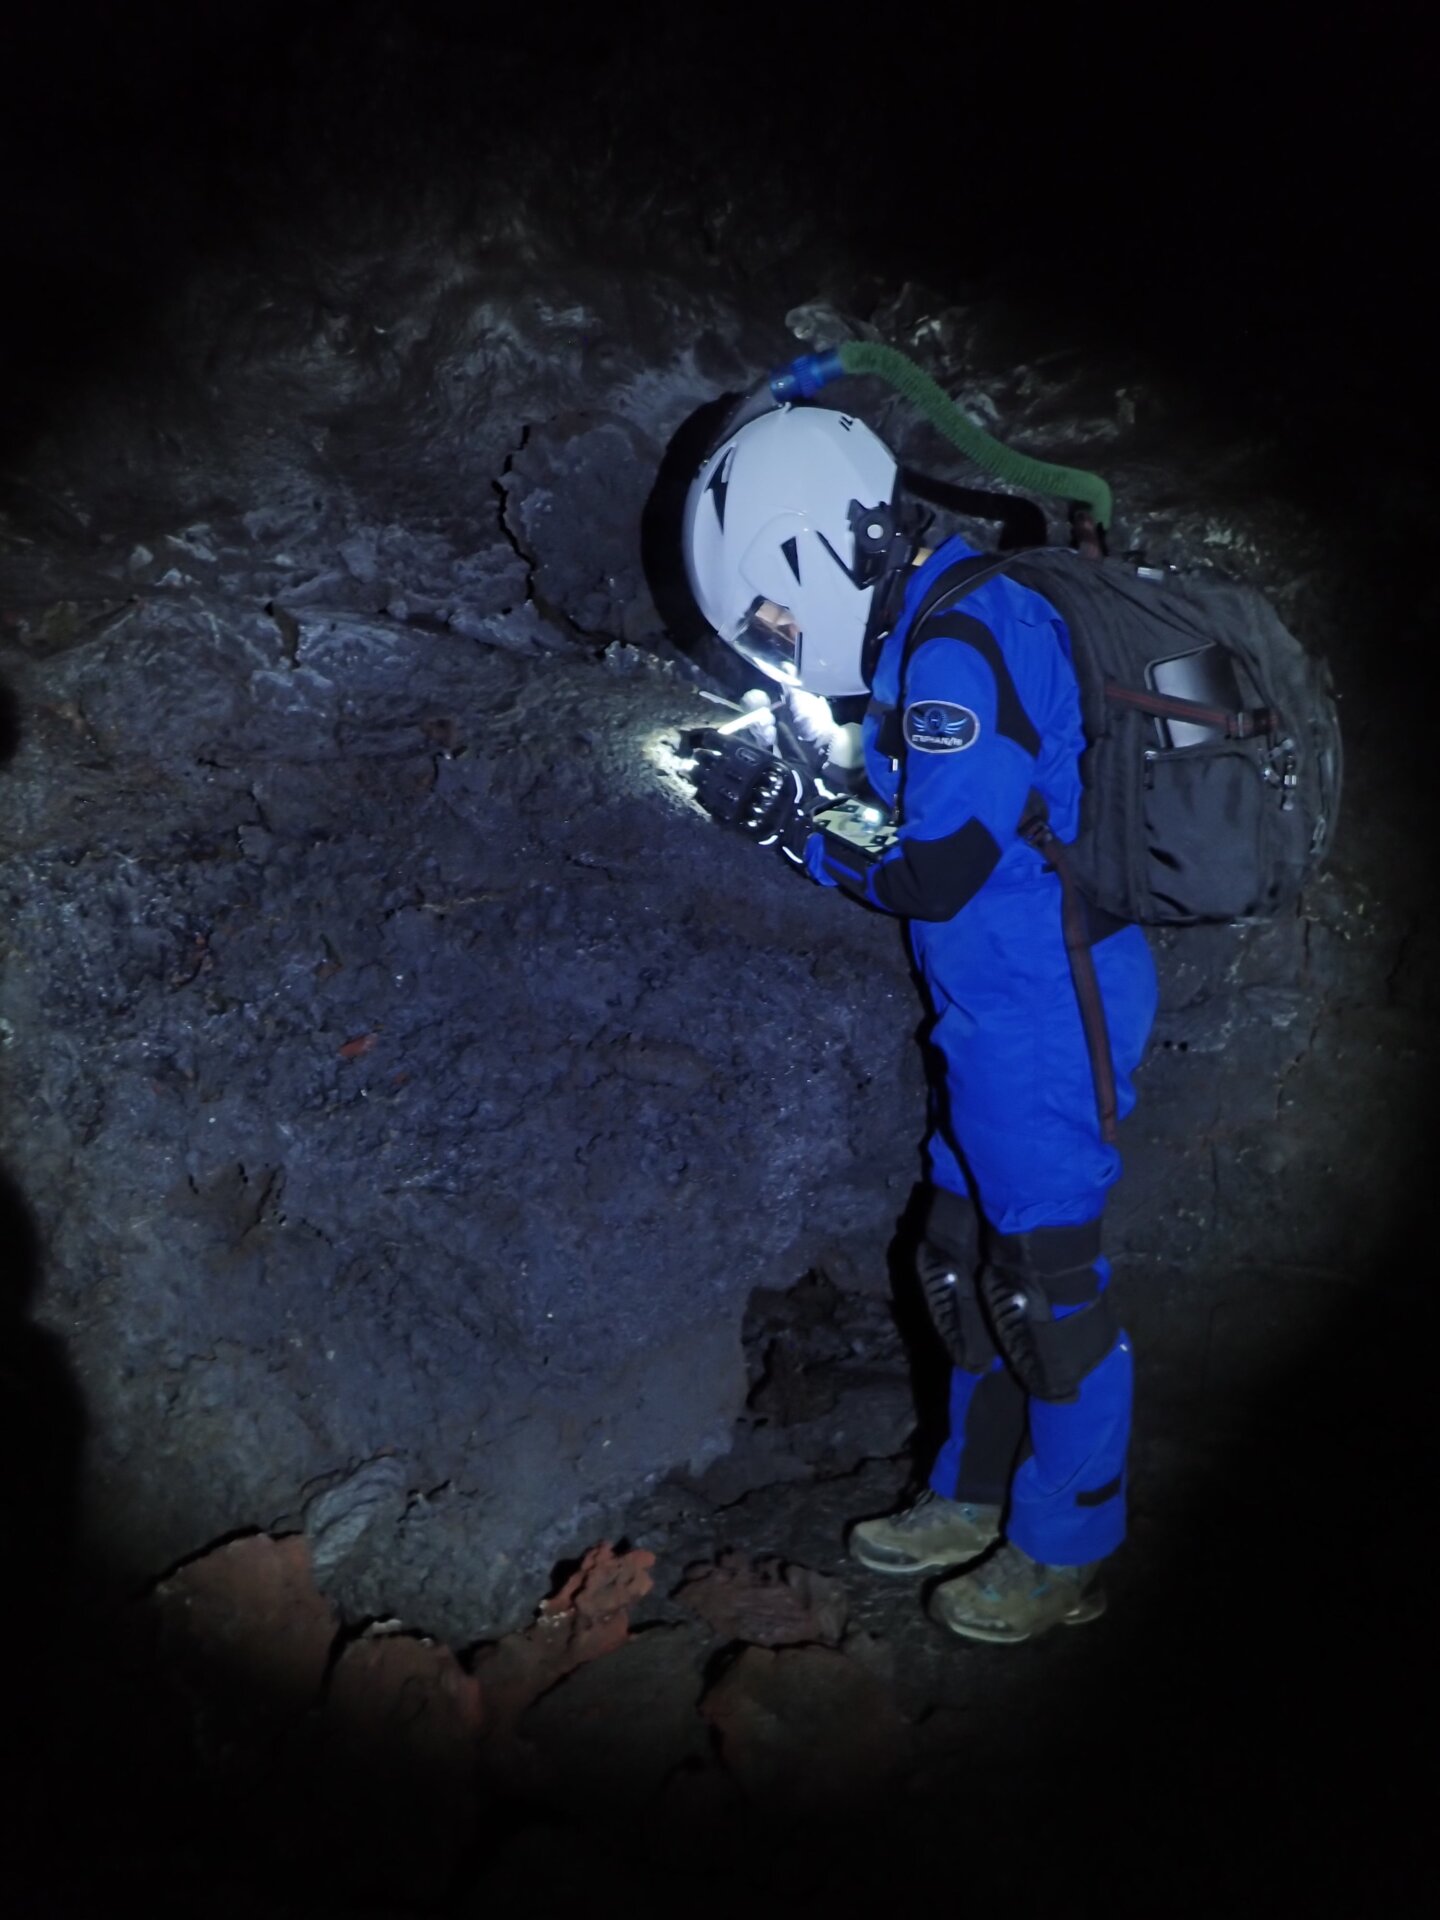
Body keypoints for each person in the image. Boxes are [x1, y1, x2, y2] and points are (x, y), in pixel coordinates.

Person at [682, 403, 1158, 1644]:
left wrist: (791, 829)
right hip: (991, 1002)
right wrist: (815, 793)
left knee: (1047, 1284)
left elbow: (936, 870)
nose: (782, 642)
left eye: (775, 616)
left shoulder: (958, 644)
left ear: (820, 550)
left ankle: (1066, 1548)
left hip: (1052, 1004)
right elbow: (947, 809)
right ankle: (969, 1492)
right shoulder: (930, 626)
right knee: (961, 1259)